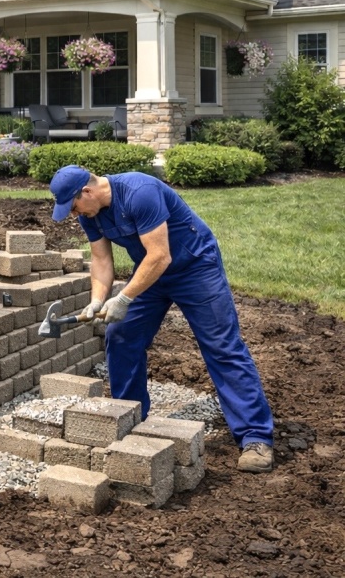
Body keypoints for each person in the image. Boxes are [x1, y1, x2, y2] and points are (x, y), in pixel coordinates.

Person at [49, 165, 275, 473]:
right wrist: (97, 300)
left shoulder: (140, 192)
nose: (74, 214)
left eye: (74, 207)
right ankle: (129, 418)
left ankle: (255, 436)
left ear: (87, 192)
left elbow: (160, 255)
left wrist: (124, 298)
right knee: (121, 335)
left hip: (195, 268)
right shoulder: (91, 214)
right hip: (151, 273)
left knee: (221, 346)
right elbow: (101, 260)